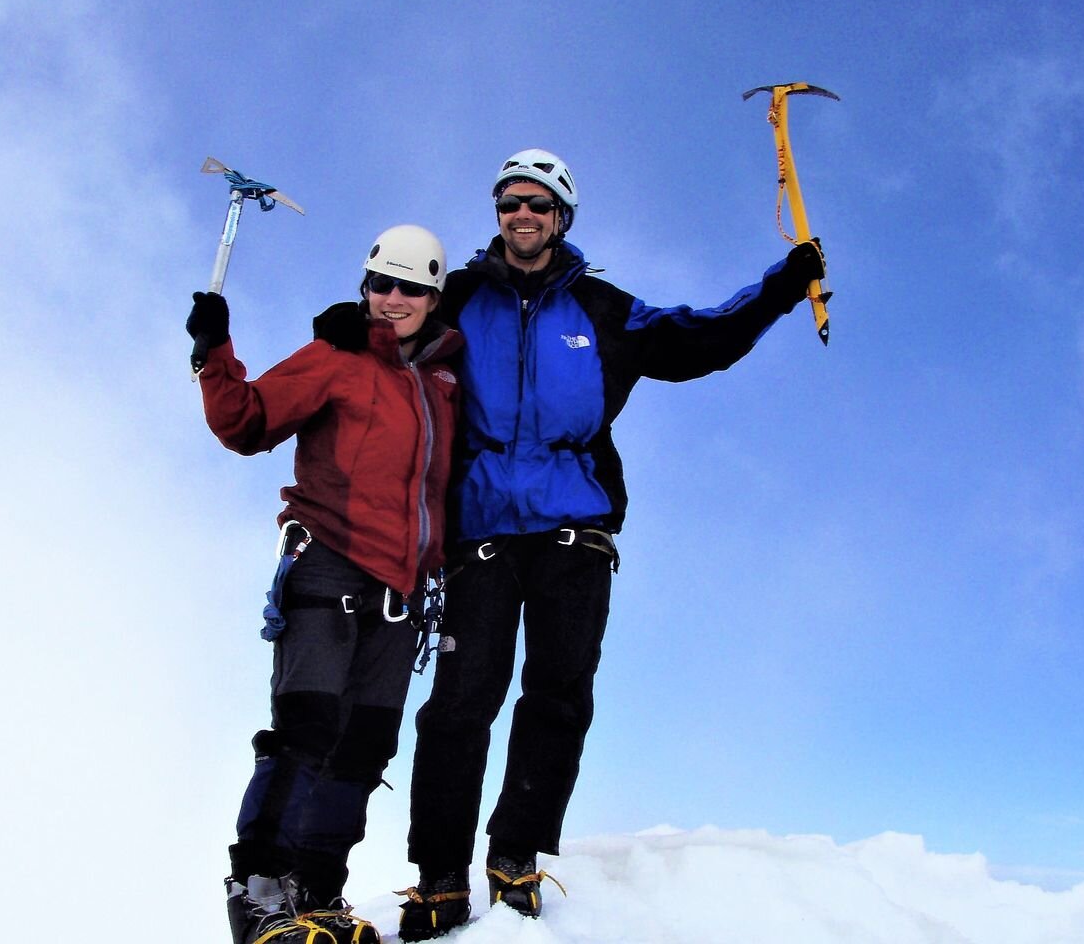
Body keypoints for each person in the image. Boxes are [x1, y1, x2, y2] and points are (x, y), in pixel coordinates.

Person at [315, 150, 828, 941]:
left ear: (562, 216)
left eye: (539, 204)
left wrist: (783, 288)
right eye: (509, 202)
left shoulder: (602, 307)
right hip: (480, 534)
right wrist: (351, 326)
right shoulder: (457, 299)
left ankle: (514, 855)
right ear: (498, 213)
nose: (522, 215)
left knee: (558, 698)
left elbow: (701, 339)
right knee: (458, 705)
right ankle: (441, 876)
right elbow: (394, 320)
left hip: (574, 536)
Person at [189, 224, 464, 944]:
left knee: (365, 749)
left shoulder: (442, 383)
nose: (393, 299)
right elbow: (243, 422)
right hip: (330, 569)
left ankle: (317, 896)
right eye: (382, 284)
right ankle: (258, 897)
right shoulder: (336, 356)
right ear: (365, 285)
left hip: (402, 598)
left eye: (411, 288)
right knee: (307, 732)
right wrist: (213, 351)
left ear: (436, 298)